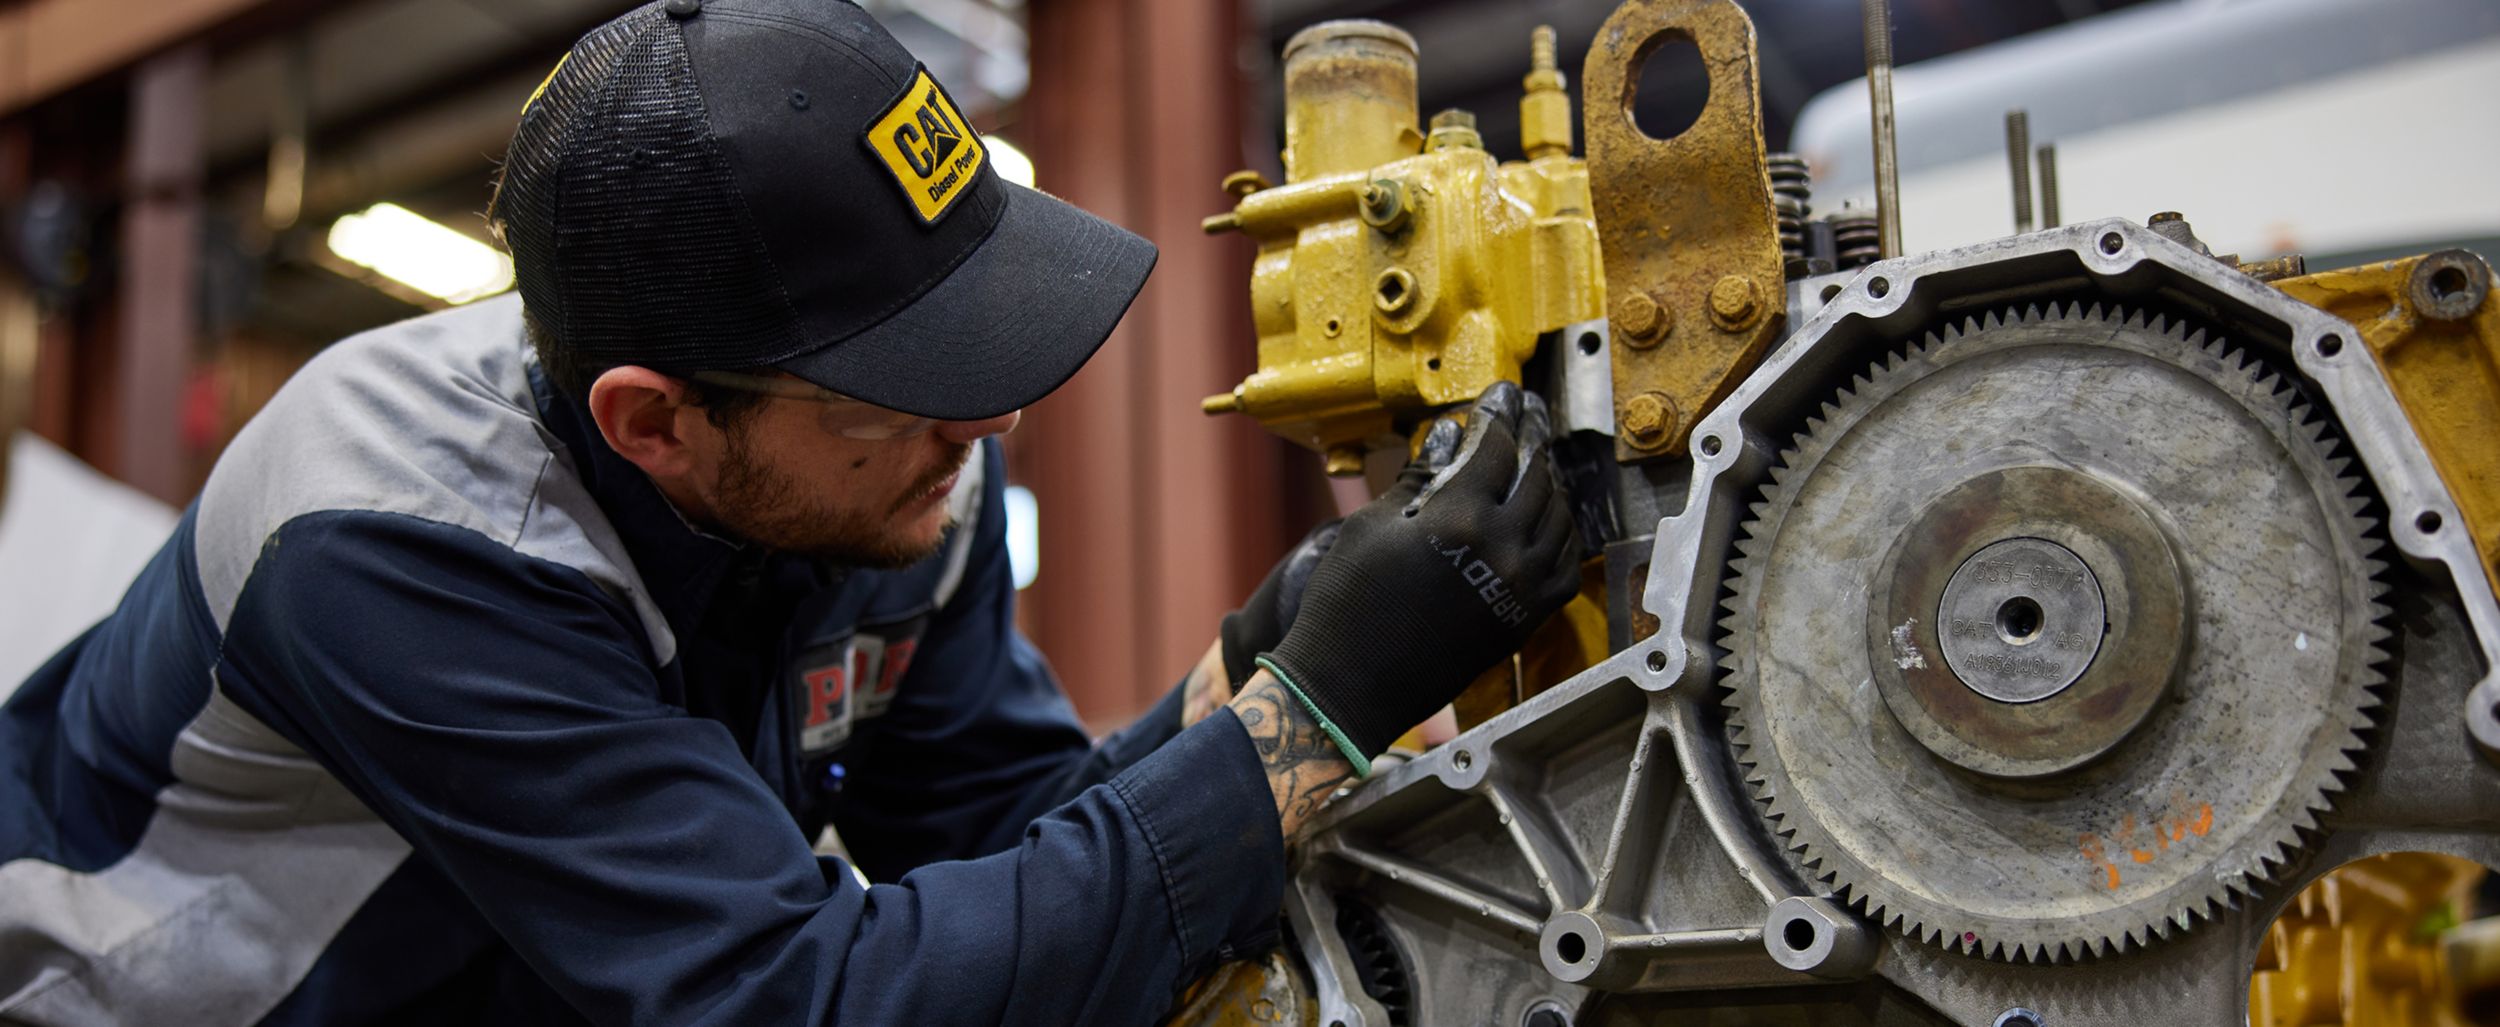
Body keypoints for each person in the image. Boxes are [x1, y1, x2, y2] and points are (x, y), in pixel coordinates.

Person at [0, 1, 1581, 1023]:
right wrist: (1308, 725)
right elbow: (794, 1002)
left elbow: (1000, 852)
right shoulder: (395, 543)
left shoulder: (888, 471)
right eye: (907, 384)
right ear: (657, 422)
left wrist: (1246, 671)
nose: (991, 419)